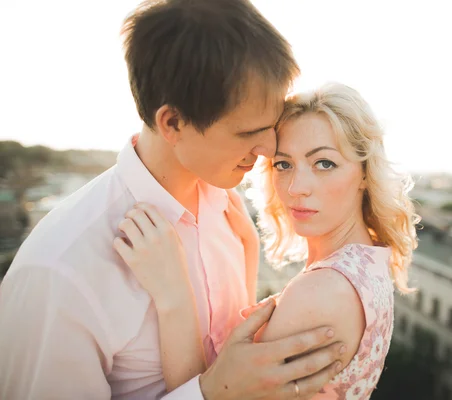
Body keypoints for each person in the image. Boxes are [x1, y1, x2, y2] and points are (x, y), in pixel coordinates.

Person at [0, 1, 346, 399]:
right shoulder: (60, 271)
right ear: (173, 123)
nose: (269, 149)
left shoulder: (227, 209)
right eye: (247, 132)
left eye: (271, 127)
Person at [116, 83, 420, 399]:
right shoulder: (368, 259)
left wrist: (173, 296)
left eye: (324, 163)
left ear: (365, 174)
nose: (295, 188)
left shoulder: (321, 293)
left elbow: (219, 392)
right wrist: (249, 247)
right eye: (283, 164)